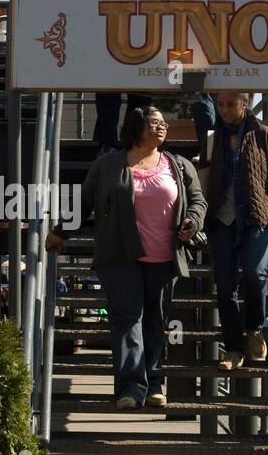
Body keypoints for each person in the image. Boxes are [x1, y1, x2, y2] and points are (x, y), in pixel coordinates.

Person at [46, 105, 206, 409]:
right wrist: (60, 233)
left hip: (164, 258)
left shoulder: (179, 165)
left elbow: (197, 200)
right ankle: (130, 389)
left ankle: (154, 382)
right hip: (118, 256)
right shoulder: (107, 165)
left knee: (155, 324)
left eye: (164, 124)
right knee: (128, 319)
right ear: (137, 127)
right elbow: (84, 202)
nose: (163, 128)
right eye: (155, 123)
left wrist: (192, 222)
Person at [203, 91, 268, 367]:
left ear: (245, 102)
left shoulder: (265, 134)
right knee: (225, 285)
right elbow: (204, 179)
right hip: (221, 219)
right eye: (220, 104)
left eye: (230, 104)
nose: (224, 110)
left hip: (256, 217)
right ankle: (233, 349)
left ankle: (254, 328)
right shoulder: (212, 137)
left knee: (255, 272)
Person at [84, 0, 166, 152]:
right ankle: (106, 146)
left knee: (140, 102)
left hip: (145, 46)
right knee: (108, 97)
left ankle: (130, 147)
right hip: (110, 41)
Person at [182, 0, 256, 153]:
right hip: (194, 43)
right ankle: (209, 153)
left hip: (227, 42)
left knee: (227, 103)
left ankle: (230, 152)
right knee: (197, 102)